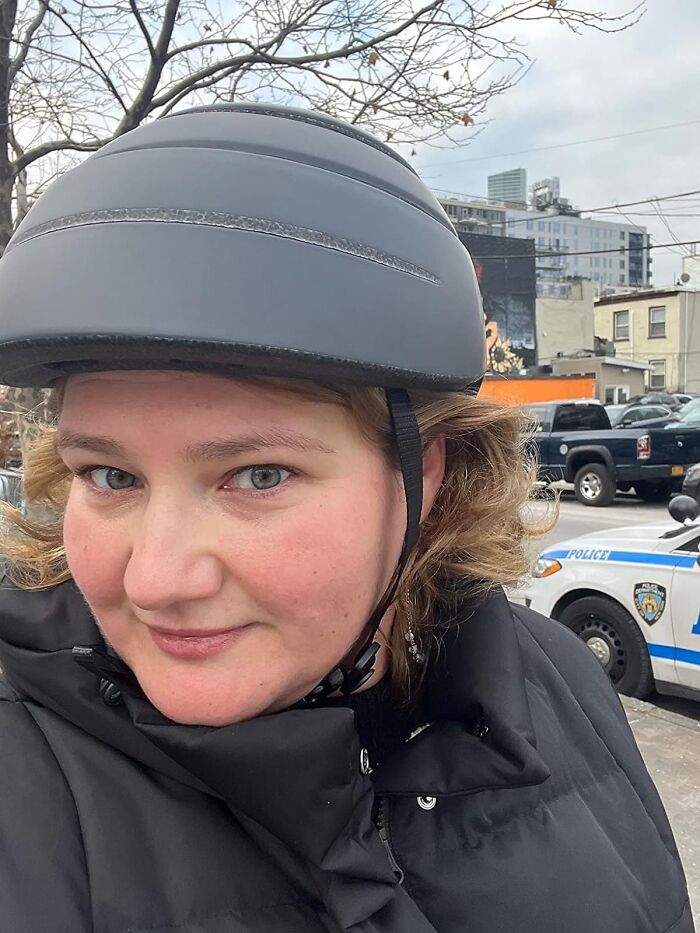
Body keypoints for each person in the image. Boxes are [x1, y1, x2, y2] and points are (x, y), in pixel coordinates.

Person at [0, 104, 692, 933]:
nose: (155, 579)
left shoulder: (559, 677)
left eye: (256, 475)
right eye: (110, 475)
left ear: (424, 479)